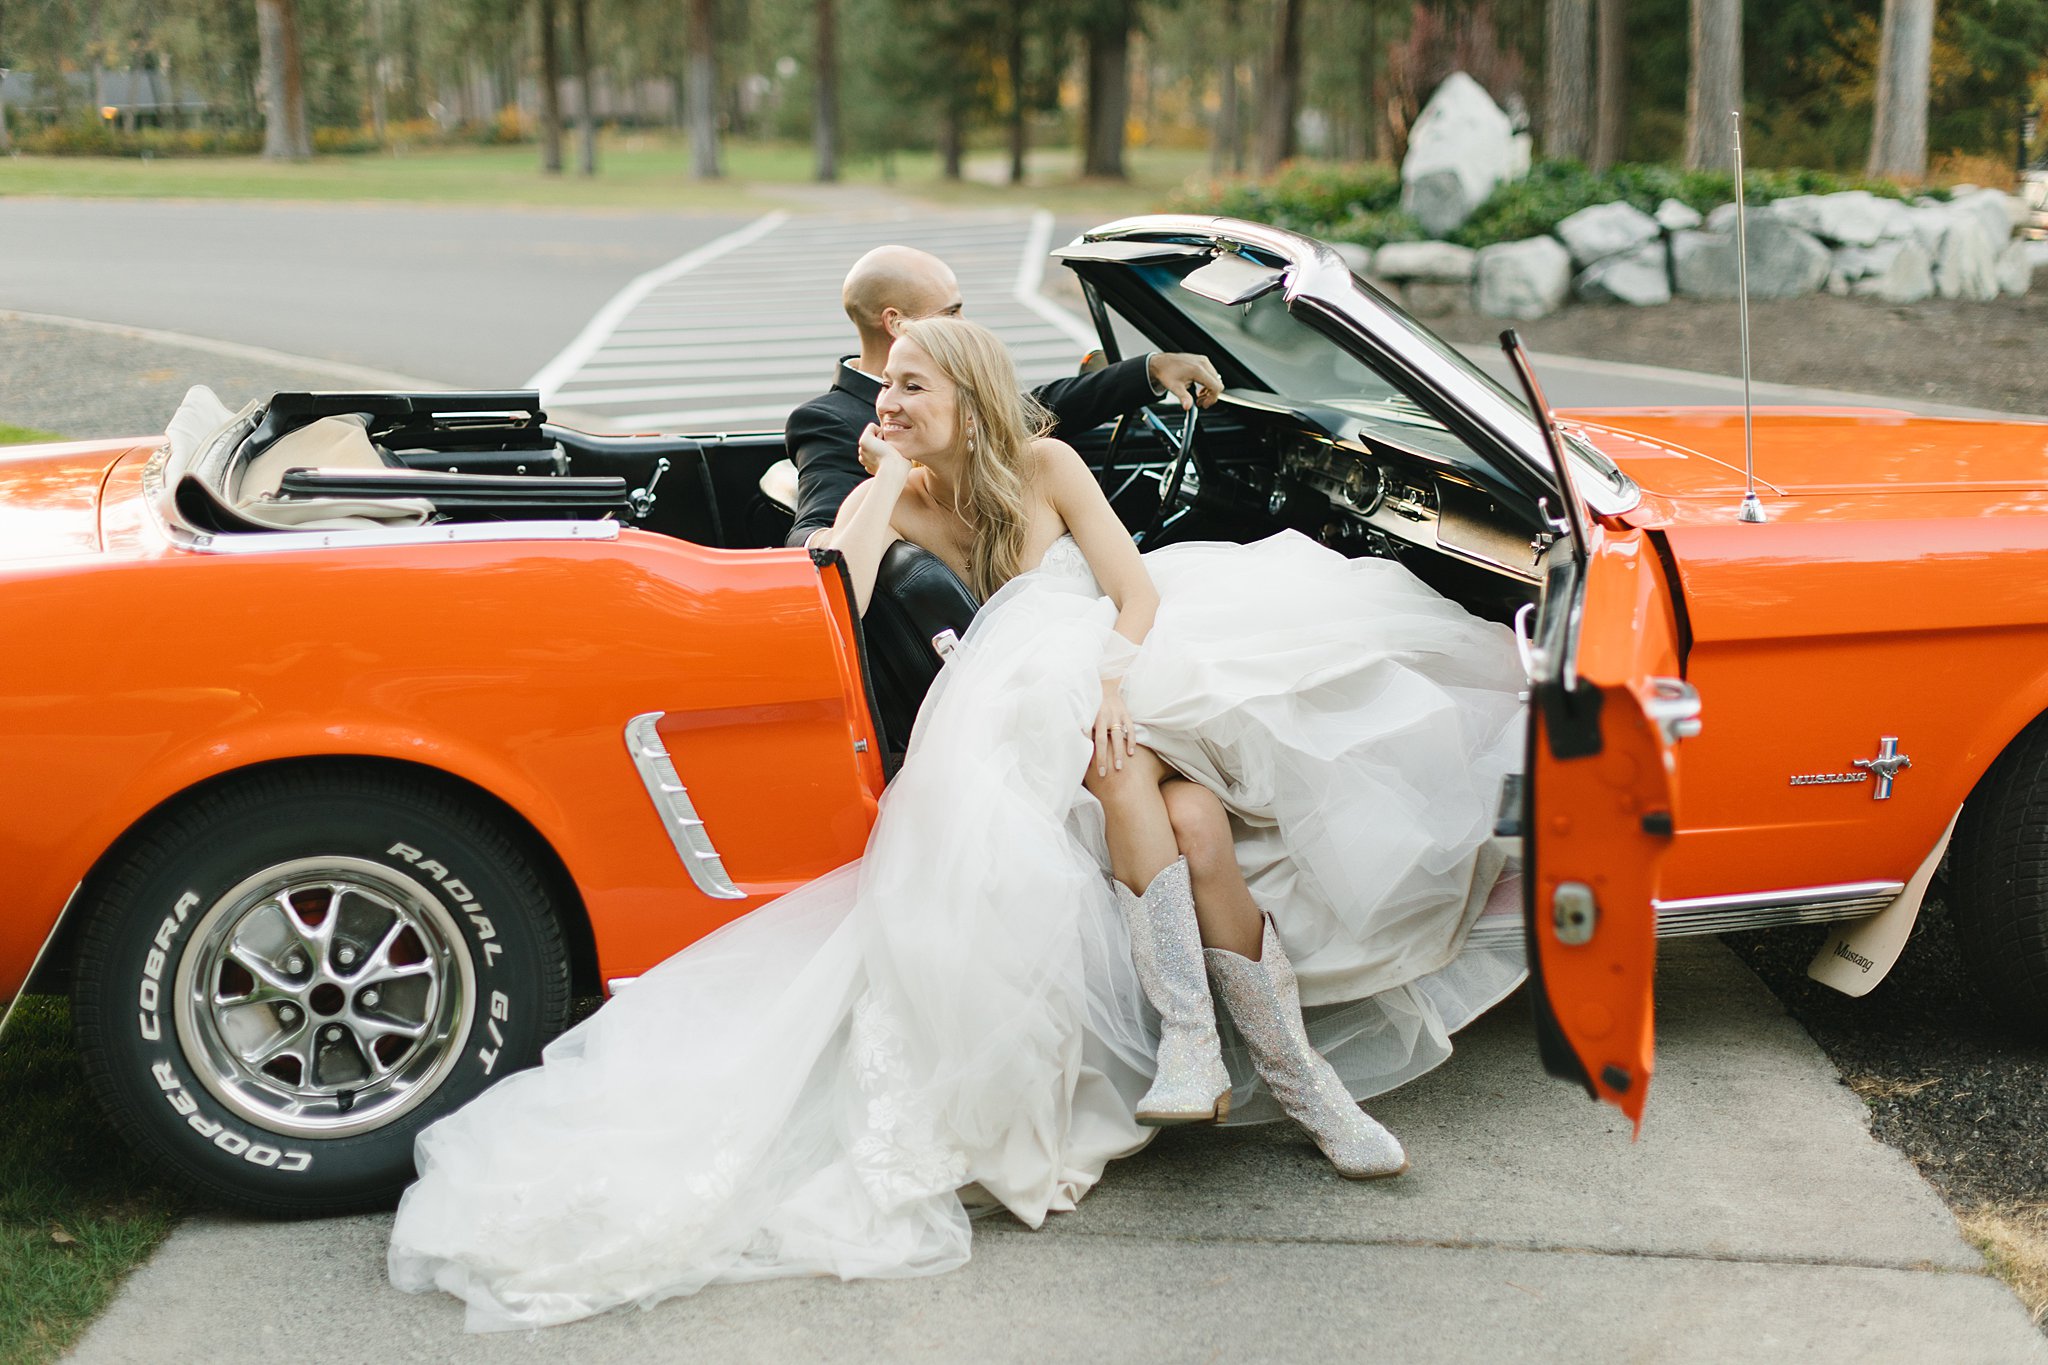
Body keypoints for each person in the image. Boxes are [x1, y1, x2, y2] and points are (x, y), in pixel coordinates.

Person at [389, 319, 1527, 1333]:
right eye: (882, 388)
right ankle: (1294, 1086)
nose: (884, 404)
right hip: (1037, 732)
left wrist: (1119, 680)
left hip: (1135, 676)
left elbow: (1131, 594)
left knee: (1150, 771)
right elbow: (829, 567)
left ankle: (1233, 1059)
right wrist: (876, 482)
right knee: (1194, 825)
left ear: (968, 399)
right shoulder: (908, 495)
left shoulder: (1047, 460)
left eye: (910, 389)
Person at [783, 244, 1224, 548]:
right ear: (897, 324)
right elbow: (813, 535)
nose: (966, 322)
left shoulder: (959, 395)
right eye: (952, 311)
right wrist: (882, 487)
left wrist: (1148, 370)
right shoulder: (830, 420)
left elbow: (1040, 408)